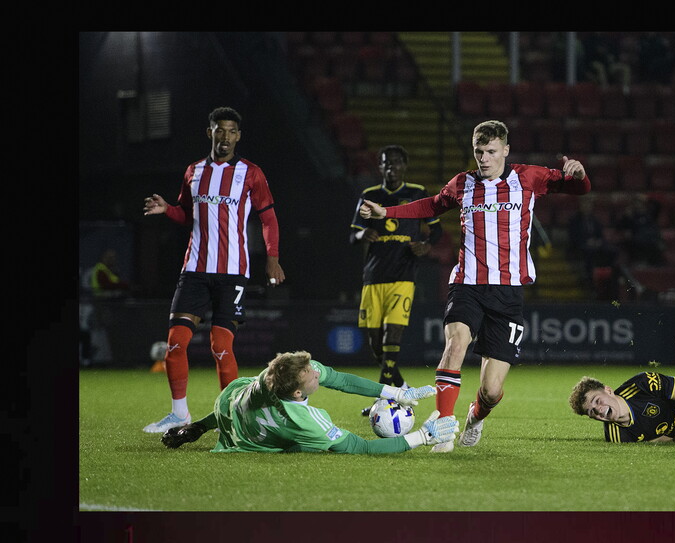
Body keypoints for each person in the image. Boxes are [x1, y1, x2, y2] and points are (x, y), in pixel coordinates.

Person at [358, 119, 592, 452]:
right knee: (455, 345)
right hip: (467, 283)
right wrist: (387, 212)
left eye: (491, 151)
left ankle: (475, 417)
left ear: (505, 150)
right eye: (478, 151)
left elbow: (578, 189)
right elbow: (431, 205)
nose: (483, 158)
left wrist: (580, 176)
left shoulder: (529, 177)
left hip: (508, 292)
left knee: (492, 390)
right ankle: (442, 424)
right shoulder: (462, 184)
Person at [141, 106, 286, 434]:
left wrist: (272, 258)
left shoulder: (251, 173)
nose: (225, 136)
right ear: (210, 133)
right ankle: (179, 414)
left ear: (238, 135)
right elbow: (186, 214)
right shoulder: (194, 171)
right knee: (176, 341)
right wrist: (168, 210)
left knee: (221, 345)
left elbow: (269, 219)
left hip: (232, 273)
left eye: (231, 131)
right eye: (219, 130)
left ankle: (230, 418)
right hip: (194, 269)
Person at [160, 350, 458, 453]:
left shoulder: (275, 374)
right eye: (312, 375)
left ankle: (197, 428)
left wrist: (396, 394)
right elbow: (363, 447)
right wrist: (423, 436)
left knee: (235, 407)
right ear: (299, 394)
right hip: (250, 440)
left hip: (230, 407)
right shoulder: (307, 421)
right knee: (304, 443)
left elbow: (340, 379)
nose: (318, 373)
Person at [349, 145, 442, 416]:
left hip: (404, 274)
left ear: (405, 165)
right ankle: (402, 388)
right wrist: (360, 236)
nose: (392, 167)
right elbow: (352, 234)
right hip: (374, 275)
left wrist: (425, 245)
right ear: (380, 166)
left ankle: (382, 398)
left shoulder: (416, 193)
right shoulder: (369, 196)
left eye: (397, 163)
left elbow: (436, 231)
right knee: (376, 345)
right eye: (387, 163)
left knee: (393, 337)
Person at [566, 194, 618, 284]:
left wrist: (598, 241)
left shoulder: (595, 219)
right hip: (581, 245)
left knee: (612, 250)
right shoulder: (574, 220)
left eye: (589, 204)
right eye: (584, 204)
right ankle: (589, 278)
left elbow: (600, 234)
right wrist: (586, 241)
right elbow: (573, 237)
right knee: (588, 252)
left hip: (595, 244)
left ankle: (610, 276)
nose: (587, 207)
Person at [612, 193, 664, 268]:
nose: (638, 205)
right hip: (637, 239)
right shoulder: (631, 216)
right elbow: (619, 227)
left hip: (650, 238)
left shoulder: (649, 214)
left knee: (656, 242)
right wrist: (626, 216)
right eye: (636, 202)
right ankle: (641, 262)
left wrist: (648, 197)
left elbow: (658, 205)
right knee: (638, 240)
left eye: (640, 202)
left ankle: (654, 265)